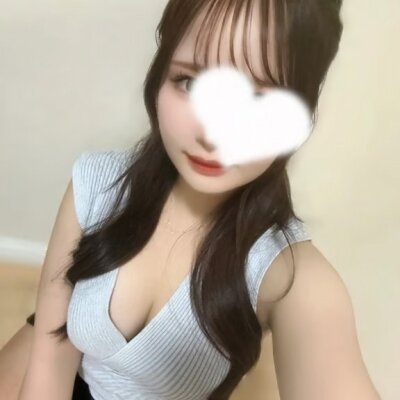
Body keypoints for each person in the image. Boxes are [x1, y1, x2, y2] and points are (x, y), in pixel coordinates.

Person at [0, 0, 382, 399]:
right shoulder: (96, 184)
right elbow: (51, 358)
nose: (212, 133)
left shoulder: (293, 279)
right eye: (191, 83)